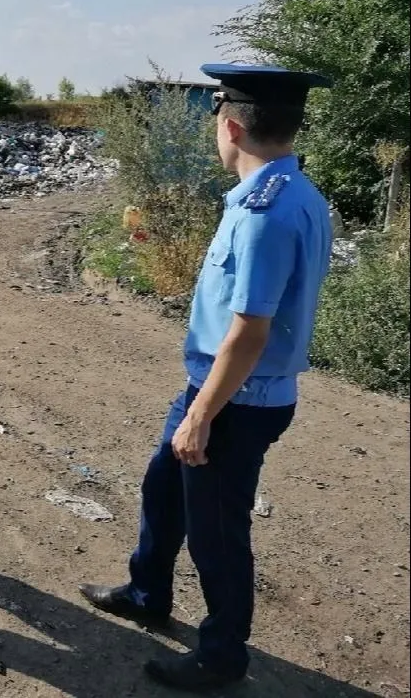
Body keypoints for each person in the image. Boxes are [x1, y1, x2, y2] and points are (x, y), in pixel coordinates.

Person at [78, 63, 334, 691]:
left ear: (232, 124)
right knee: (162, 489)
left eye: (217, 122)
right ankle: (147, 591)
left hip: (235, 401)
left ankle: (221, 656)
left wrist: (201, 415)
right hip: (221, 390)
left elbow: (249, 331)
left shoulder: (266, 214)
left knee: (217, 533)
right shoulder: (288, 194)